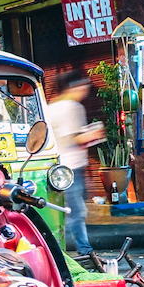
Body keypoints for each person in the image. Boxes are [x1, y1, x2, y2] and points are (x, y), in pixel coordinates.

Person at [48, 70, 105, 256]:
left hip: (58, 168)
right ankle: (85, 250)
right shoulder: (71, 107)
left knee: (64, 211)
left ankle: (62, 250)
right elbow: (73, 138)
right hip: (70, 168)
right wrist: (94, 134)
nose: (86, 90)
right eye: (84, 86)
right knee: (76, 212)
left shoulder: (52, 106)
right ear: (74, 87)